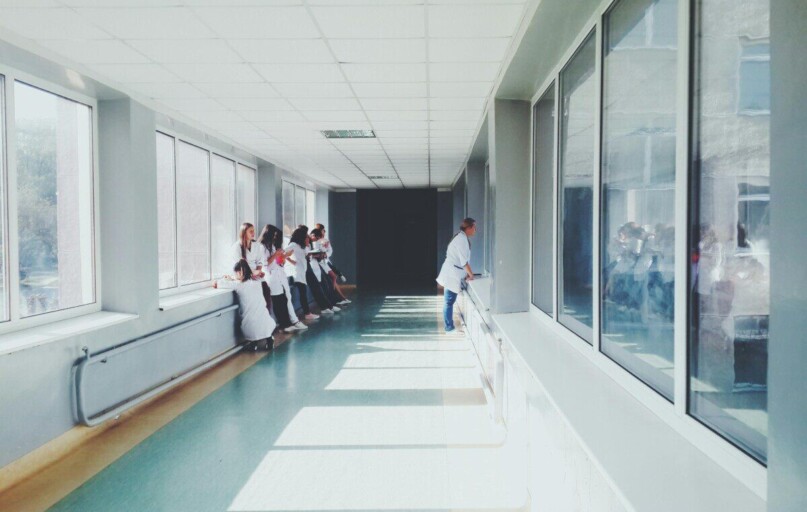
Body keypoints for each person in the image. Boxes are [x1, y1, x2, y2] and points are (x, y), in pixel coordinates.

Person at [214, 260, 276, 351]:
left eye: (235, 273)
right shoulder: (257, 282)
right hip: (267, 324)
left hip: (250, 327)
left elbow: (215, 284)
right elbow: (258, 275)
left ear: (239, 272)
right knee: (263, 320)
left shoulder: (238, 285)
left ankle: (253, 342)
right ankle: (269, 339)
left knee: (251, 327)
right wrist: (233, 278)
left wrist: (225, 279)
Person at [257, 225, 307, 333]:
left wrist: (283, 257)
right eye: (273, 235)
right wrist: (276, 255)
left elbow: (278, 262)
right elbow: (266, 264)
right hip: (271, 277)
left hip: (279, 275)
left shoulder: (272, 246)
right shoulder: (262, 247)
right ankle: (284, 325)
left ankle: (287, 323)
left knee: (283, 299)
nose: (275, 238)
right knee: (278, 301)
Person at [436, 218, 476, 332]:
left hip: (452, 272)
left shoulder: (461, 237)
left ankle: (449, 326)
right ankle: (448, 327)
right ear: (468, 228)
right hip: (451, 274)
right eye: (474, 227)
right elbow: (464, 262)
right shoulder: (461, 240)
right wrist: (471, 275)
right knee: (449, 301)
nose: (475, 230)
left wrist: (467, 274)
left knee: (449, 301)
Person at [286, 226, 320, 320]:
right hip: (297, 273)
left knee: (303, 292)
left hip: (302, 272)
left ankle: (307, 313)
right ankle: (307, 313)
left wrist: (307, 245)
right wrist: (292, 262)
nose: (307, 238)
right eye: (305, 237)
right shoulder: (293, 245)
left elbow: (305, 255)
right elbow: (283, 254)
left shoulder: (302, 246)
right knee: (303, 293)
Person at [305, 229, 340, 315]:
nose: (316, 240)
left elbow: (324, 253)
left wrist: (322, 253)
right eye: (316, 238)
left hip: (317, 266)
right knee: (320, 289)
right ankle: (326, 307)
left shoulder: (311, 243)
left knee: (325, 286)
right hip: (312, 268)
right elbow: (308, 256)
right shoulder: (305, 244)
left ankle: (330, 305)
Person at [310, 227, 349, 306]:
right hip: (321, 263)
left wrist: (324, 254)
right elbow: (318, 253)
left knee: (333, 277)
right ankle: (335, 297)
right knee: (332, 278)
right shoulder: (316, 242)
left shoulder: (322, 241)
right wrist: (322, 254)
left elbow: (328, 251)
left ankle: (336, 296)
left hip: (323, 262)